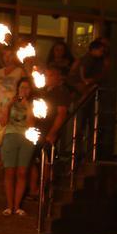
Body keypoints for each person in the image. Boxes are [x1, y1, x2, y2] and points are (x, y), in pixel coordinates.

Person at [28, 66, 71, 197]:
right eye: (46, 75)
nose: (47, 78)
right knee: (33, 159)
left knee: (46, 159)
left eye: (50, 75)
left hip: (48, 131)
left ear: (58, 77)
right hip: (38, 130)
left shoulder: (61, 92)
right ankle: (34, 189)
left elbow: (62, 113)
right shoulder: (44, 91)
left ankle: (43, 189)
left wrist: (53, 132)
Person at [0, 77, 35, 216]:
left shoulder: (33, 104)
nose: (24, 90)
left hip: (26, 139)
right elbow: (2, 122)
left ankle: (17, 206)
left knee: (22, 172)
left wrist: (27, 106)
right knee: (9, 172)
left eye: (27, 88)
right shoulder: (9, 102)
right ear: (17, 89)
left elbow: (31, 124)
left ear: (30, 90)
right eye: (22, 87)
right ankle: (9, 206)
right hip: (10, 136)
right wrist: (8, 106)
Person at [0, 49, 23, 146]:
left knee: (8, 133)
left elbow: (24, 88)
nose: (7, 58)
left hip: (11, 105)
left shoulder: (20, 71)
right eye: (5, 55)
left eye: (10, 55)